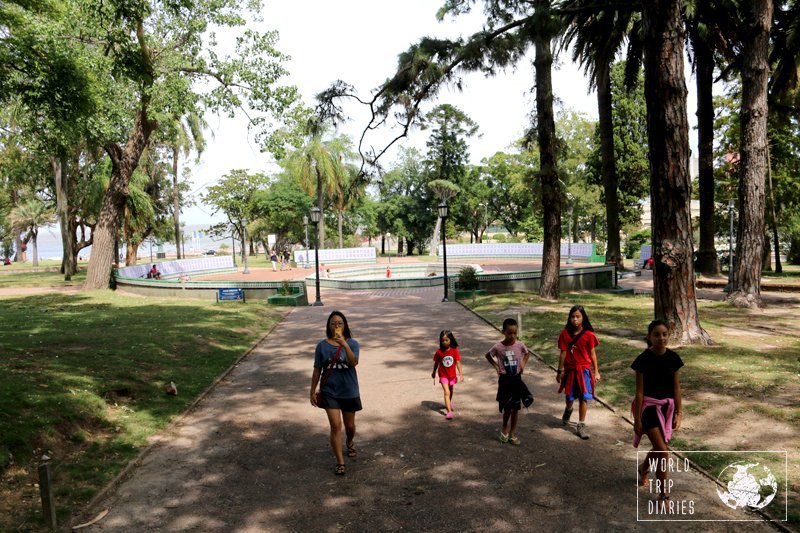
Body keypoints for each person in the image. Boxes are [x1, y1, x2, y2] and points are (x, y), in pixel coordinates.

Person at [631, 319, 683, 502]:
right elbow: (639, 392)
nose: (661, 338)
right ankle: (664, 494)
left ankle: (643, 468)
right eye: (656, 334)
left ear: (668, 336)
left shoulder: (674, 358)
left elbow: (676, 388)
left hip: (667, 409)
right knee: (663, 451)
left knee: (659, 448)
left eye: (664, 334)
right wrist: (637, 419)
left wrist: (679, 412)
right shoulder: (642, 360)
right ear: (649, 337)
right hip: (649, 409)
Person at [310, 311, 361, 476]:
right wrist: (312, 391)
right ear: (328, 326)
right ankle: (340, 462)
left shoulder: (352, 343)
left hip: (349, 390)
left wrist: (344, 345)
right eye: (333, 323)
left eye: (340, 323)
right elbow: (317, 369)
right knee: (336, 426)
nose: (336, 326)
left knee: (350, 426)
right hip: (329, 391)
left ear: (344, 326)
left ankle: (350, 441)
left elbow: (353, 363)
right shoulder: (322, 346)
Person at [485, 317, 533, 445]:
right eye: (509, 333)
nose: (512, 336)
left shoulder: (519, 345)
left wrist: (523, 363)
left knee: (516, 408)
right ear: (503, 332)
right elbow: (488, 355)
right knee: (507, 408)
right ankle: (504, 428)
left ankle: (512, 433)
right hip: (505, 380)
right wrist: (496, 366)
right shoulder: (498, 347)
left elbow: (527, 353)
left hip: (516, 379)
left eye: (515, 333)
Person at [556, 305, 600, 439]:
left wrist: (596, 371)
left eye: (578, 316)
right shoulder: (565, 334)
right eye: (572, 317)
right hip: (570, 371)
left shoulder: (589, 335)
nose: (575, 319)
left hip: (584, 371)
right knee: (569, 398)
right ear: (569, 318)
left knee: (584, 397)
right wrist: (559, 371)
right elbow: (563, 353)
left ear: (583, 318)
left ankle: (581, 425)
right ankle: (568, 409)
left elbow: (592, 354)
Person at [431, 330, 464, 420]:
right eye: (443, 340)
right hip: (443, 375)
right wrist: (434, 372)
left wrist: (461, 373)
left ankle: (449, 402)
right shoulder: (439, 352)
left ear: (451, 340)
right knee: (447, 392)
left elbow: (458, 362)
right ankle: (449, 412)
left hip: (452, 375)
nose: (444, 342)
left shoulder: (454, 350)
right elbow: (436, 363)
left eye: (447, 340)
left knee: (451, 390)